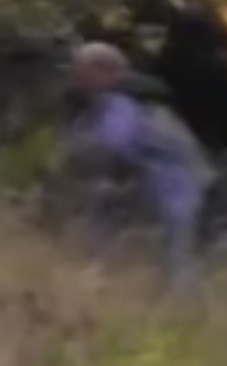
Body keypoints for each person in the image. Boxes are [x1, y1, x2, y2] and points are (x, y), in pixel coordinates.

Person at [59, 41, 210, 290]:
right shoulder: (106, 103)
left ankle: (183, 310)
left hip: (174, 186)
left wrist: (77, 154)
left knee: (174, 257)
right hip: (149, 181)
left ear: (102, 71)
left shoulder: (122, 103)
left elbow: (113, 142)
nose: (74, 75)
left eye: (81, 69)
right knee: (106, 220)